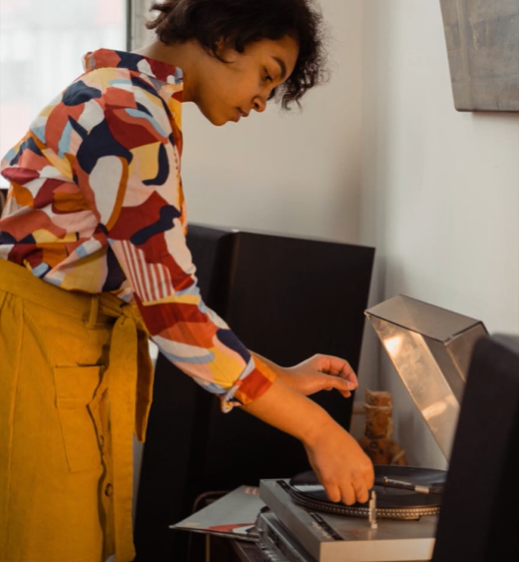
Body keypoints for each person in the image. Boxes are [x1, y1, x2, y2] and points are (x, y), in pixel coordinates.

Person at [0, 0, 374, 560]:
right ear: (225, 35)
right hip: (34, 350)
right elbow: (174, 314)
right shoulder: (126, 114)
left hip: (56, 344)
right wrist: (318, 430)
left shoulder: (129, 97)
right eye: (267, 74)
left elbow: (157, 295)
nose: (262, 99)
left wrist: (280, 377)